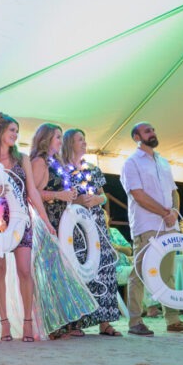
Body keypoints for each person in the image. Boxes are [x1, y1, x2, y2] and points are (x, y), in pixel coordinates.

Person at [120, 122, 183, 336]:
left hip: (169, 224)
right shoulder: (131, 163)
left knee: (168, 273)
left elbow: (174, 192)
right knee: (139, 273)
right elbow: (138, 194)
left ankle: (172, 319)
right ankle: (135, 321)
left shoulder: (163, 162)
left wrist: (173, 211)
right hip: (146, 225)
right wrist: (165, 212)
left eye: (153, 129)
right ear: (137, 137)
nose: (153, 133)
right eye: (147, 131)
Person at [0, 113, 55, 343]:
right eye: (11, 130)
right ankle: (4, 322)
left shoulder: (23, 159)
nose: (15, 134)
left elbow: (32, 192)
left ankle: (28, 321)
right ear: (0, 132)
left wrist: (45, 221)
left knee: (25, 270)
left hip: (21, 220)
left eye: (17, 131)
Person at [28, 123, 98, 339]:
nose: (60, 141)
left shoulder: (55, 163)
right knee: (48, 273)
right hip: (46, 219)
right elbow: (34, 193)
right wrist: (59, 195)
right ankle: (51, 324)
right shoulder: (39, 162)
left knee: (59, 273)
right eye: (57, 137)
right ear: (46, 139)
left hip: (61, 220)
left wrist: (69, 194)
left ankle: (62, 321)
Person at [56, 128, 123, 336]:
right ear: (69, 143)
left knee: (104, 268)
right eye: (79, 140)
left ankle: (105, 321)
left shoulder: (93, 170)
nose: (84, 143)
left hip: (96, 225)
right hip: (74, 228)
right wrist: (76, 201)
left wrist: (96, 199)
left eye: (85, 139)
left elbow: (104, 197)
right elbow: (60, 196)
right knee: (79, 271)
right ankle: (75, 321)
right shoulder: (61, 171)